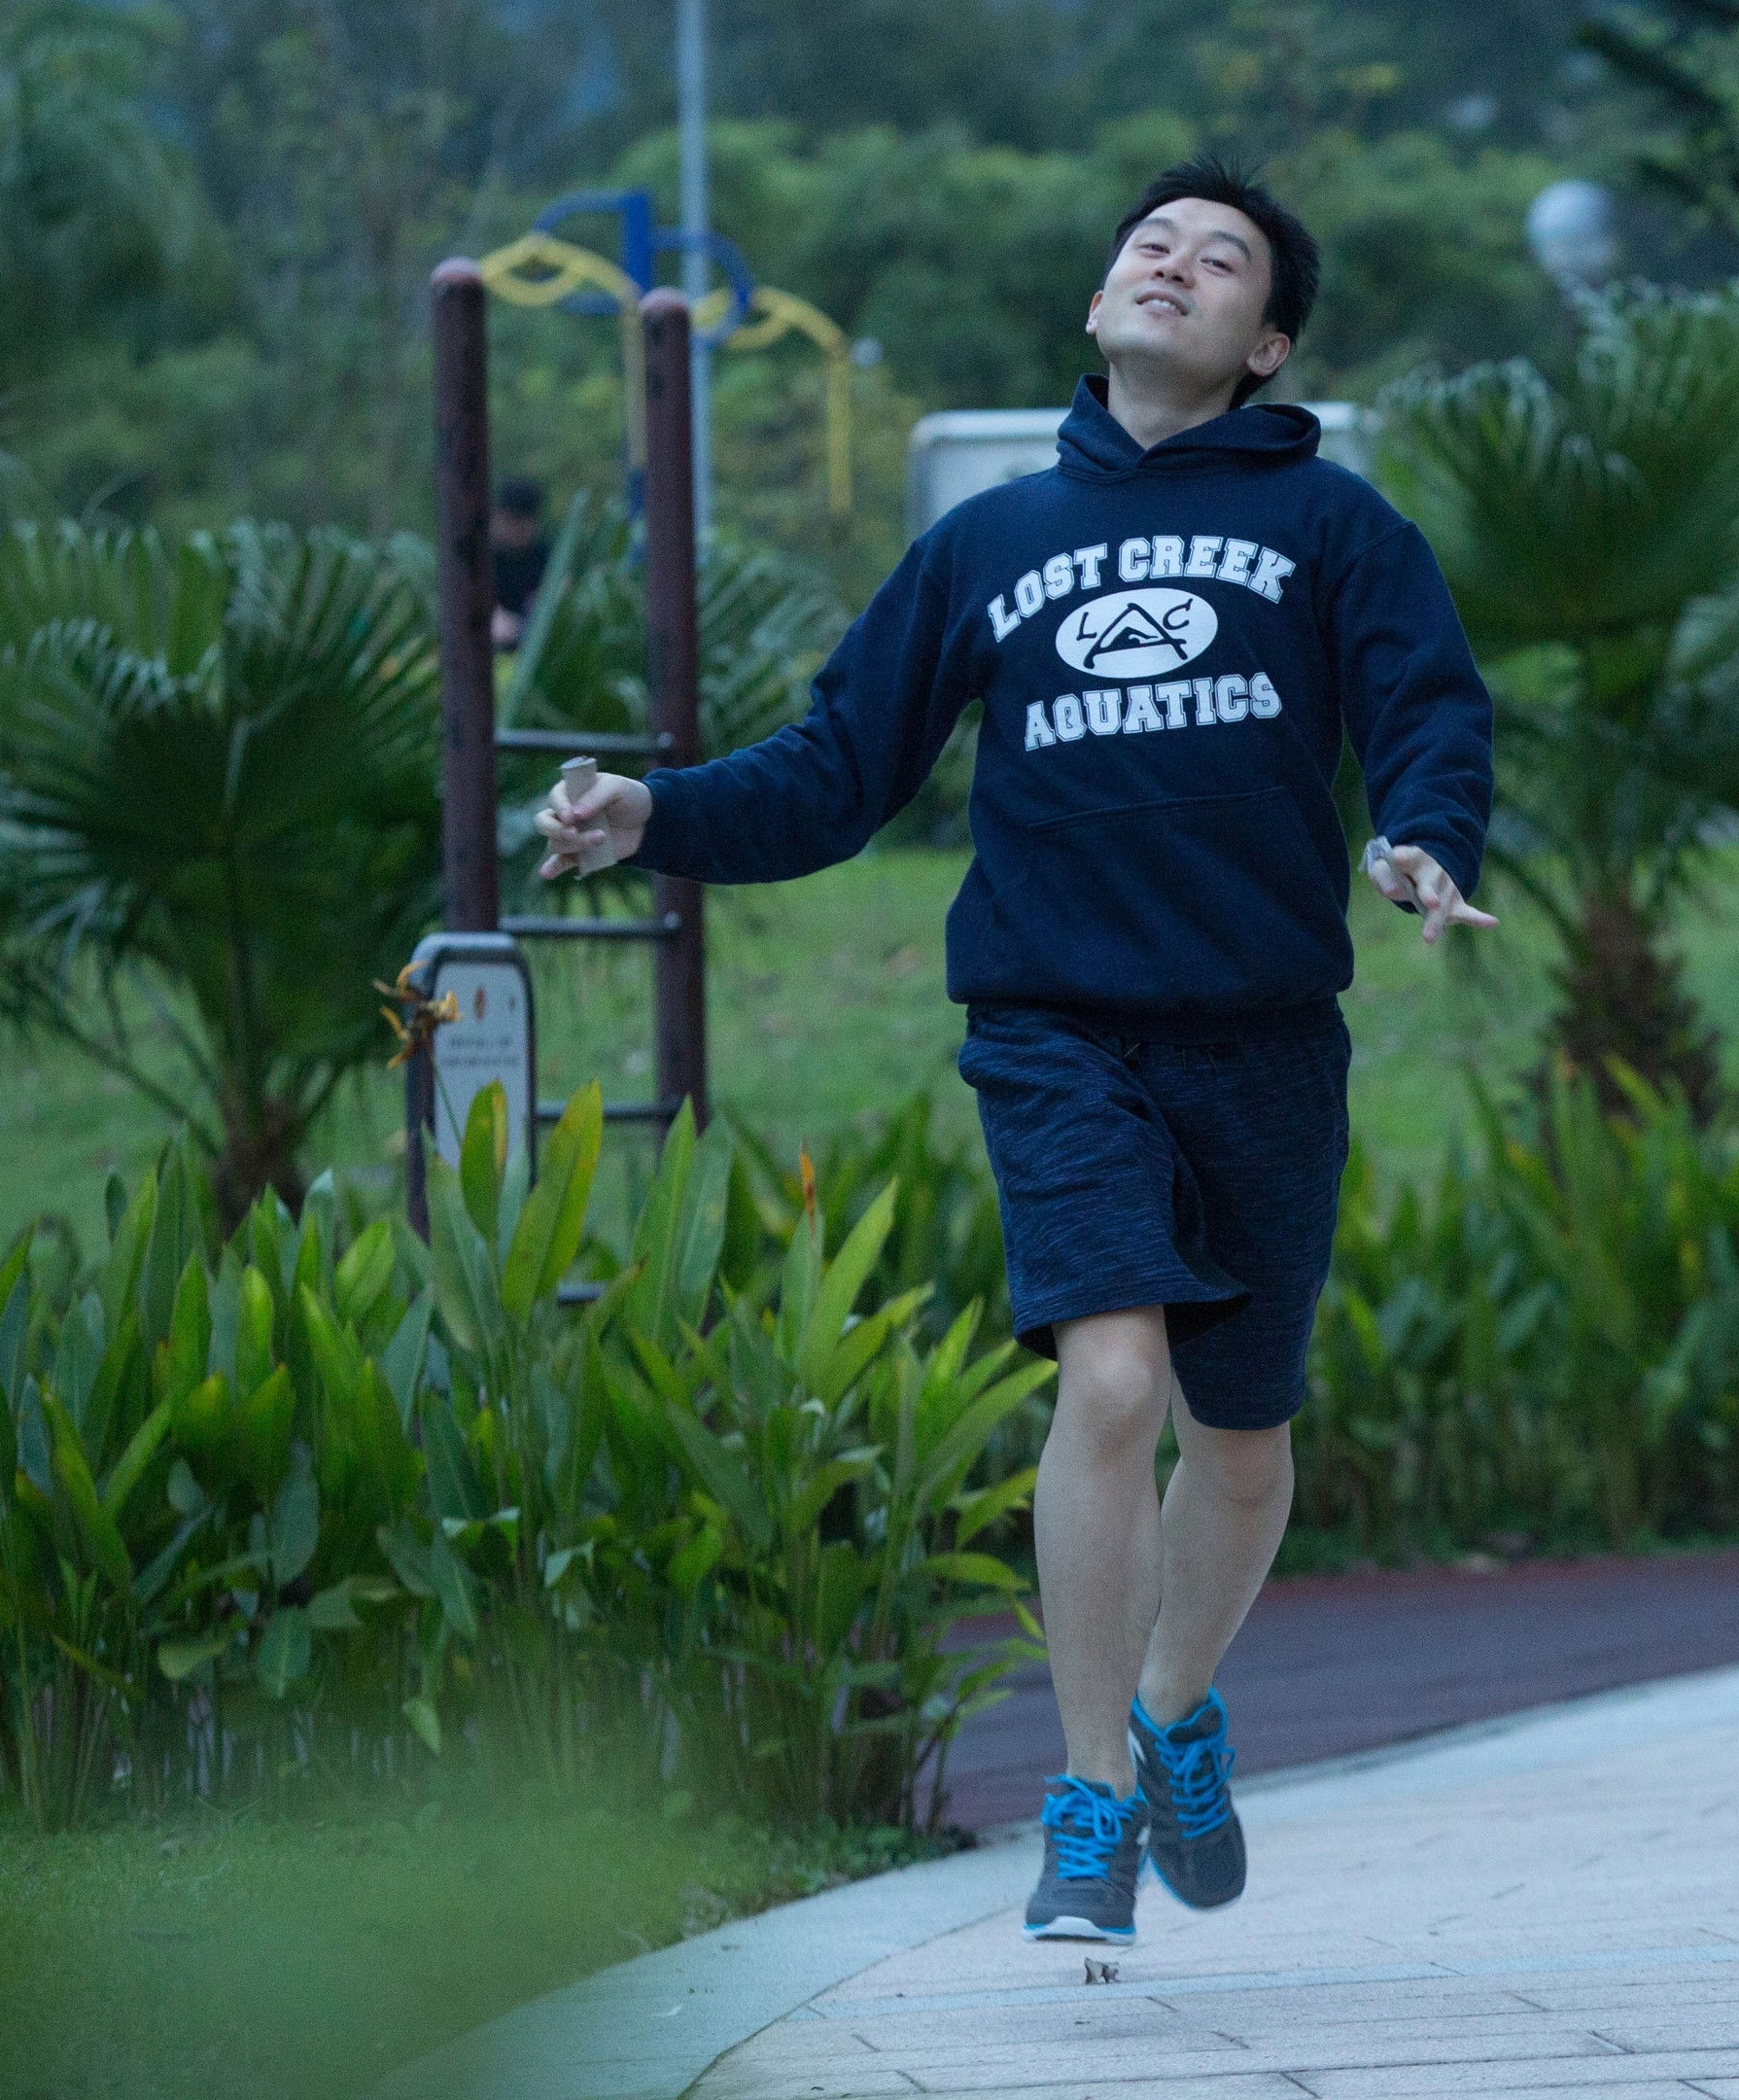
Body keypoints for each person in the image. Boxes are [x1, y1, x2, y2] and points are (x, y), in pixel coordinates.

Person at [535, 157, 1497, 1946]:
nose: (1174, 265)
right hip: (1056, 1031)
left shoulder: (1334, 527)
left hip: (1265, 1037)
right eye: (1151, 245)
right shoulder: (989, 544)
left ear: (1265, 345)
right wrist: (652, 814)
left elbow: (1429, 712)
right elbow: (836, 770)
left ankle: (1173, 1712)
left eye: (1221, 261)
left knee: (1239, 1445)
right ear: (1098, 303)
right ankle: (1089, 1802)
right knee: (1111, 1386)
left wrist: (1426, 839)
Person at [489, 477, 550, 650]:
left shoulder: (544, 555)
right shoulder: (483, 557)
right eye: (509, 520)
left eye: (521, 522)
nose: (513, 528)